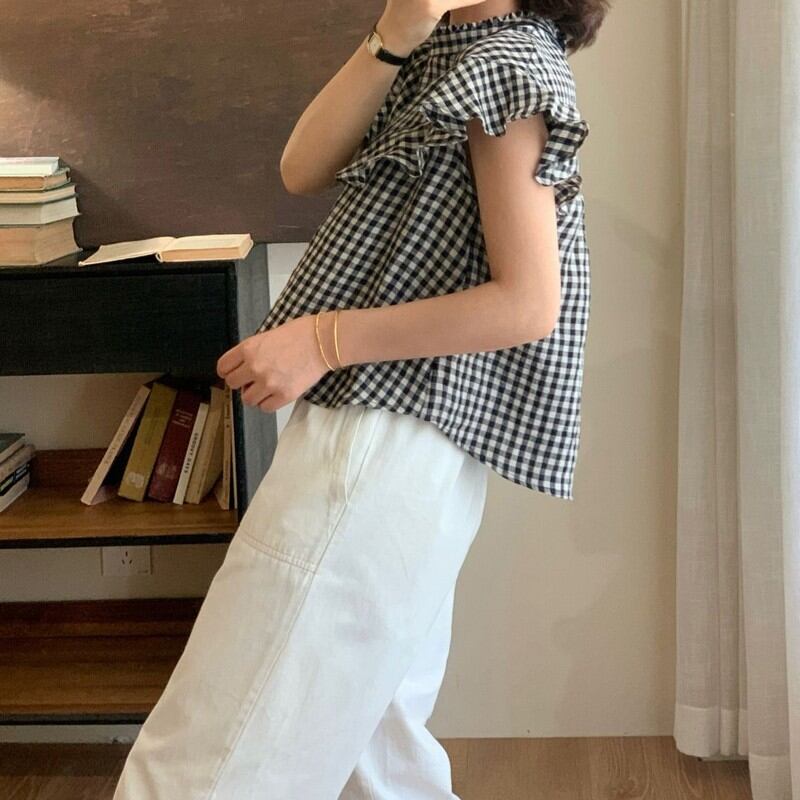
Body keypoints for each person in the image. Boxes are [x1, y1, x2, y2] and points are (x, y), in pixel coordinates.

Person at [112, 0, 608, 797]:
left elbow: (527, 304)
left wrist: (319, 341)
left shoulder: (508, 65)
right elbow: (302, 168)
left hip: (384, 440)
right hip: (396, 439)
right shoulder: (444, 47)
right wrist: (397, 33)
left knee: (215, 743)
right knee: (378, 743)